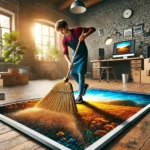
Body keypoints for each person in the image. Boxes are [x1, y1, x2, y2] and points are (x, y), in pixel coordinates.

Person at [55, 19, 96, 104]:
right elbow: (65, 53)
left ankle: (80, 95)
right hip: (75, 55)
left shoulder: (77, 30)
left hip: (83, 53)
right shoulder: (64, 39)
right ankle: (84, 86)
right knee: (72, 73)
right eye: (60, 31)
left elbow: (92, 28)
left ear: (66, 26)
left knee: (81, 73)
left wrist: (85, 35)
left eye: (61, 29)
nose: (61, 32)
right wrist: (69, 62)